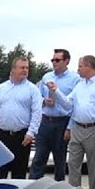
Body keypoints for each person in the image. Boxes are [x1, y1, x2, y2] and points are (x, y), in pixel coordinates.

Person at [48, 55, 95, 189]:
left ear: (89, 66)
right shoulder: (79, 85)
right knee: (73, 164)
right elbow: (68, 104)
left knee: (94, 167)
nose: (78, 69)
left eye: (80, 66)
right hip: (78, 128)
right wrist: (56, 91)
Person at [0, 57, 41, 179]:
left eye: (27, 68)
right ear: (13, 69)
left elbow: (37, 113)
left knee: (18, 175)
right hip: (1, 136)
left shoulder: (33, 90)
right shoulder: (0, 88)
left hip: (22, 137)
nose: (25, 70)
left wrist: (31, 132)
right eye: (22, 67)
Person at [30, 49, 78, 180]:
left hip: (62, 121)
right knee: (39, 157)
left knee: (60, 159)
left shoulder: (75, 79)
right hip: (45, 121)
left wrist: (69, 127)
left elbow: (74, 106)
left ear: (66, 61)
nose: (54, 63)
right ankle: (33, 187)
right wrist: (44, 101)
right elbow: (37, 97)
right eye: (53, 60)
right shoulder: (47, 77)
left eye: (57, 60)